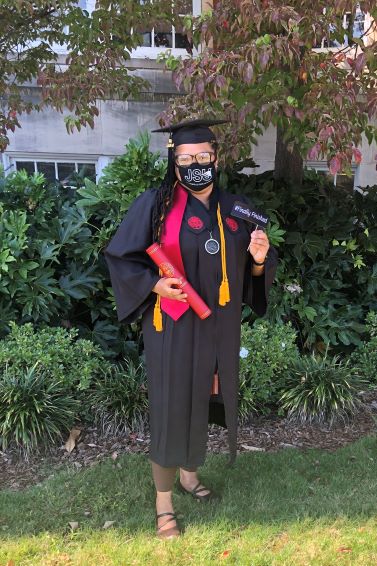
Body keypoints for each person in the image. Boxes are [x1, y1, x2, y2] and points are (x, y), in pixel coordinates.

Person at [104, 118, 277, 539]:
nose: (196, 165)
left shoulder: (236, 210)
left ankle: (188, 475)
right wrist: (155, 283)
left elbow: (253, 273)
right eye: (187, 159)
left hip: (218, 328)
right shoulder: (155, 205)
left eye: (204, 157)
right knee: (170, 408)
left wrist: (258, 257)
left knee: (201, 401)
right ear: (174, 161)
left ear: (216, 159)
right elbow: (122, 257)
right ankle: (163, 506)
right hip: (173, 328)